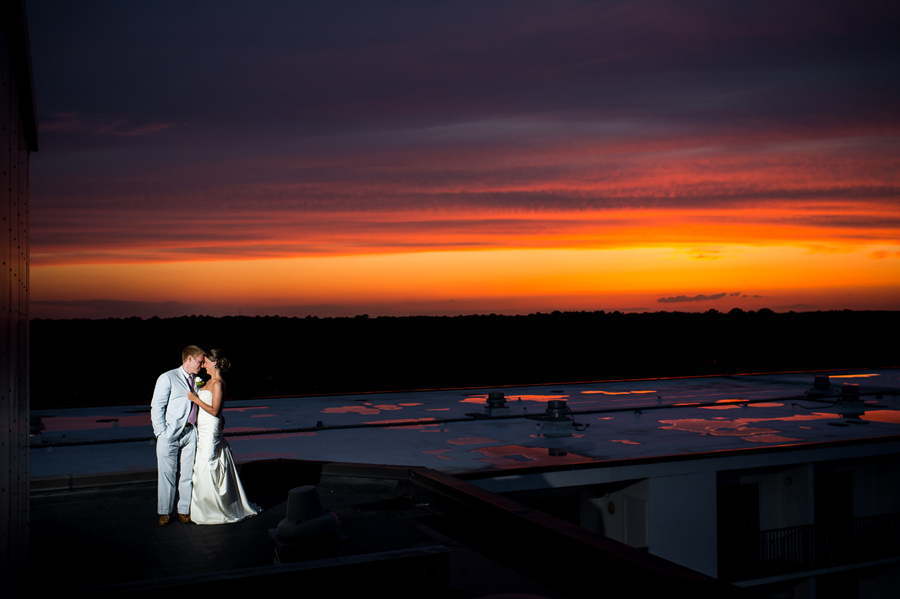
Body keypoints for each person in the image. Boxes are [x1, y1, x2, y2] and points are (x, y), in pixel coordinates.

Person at [187, 349, 260, 524]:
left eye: (205, 362)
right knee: (203, 462)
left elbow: (214, 410)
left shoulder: (218, 383)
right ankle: (205, 506)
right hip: (203, 427)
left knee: (207, 463)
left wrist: (195, 399)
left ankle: (212, 508)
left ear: (215, 363)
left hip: (210, 428)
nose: (202, 365)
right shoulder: (209, 382)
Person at [151, 345, 205, 526]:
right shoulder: (168, 377)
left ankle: (184, 510)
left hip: (191, 433)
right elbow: (157, 407)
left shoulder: (197, 379)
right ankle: (165, 512)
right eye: (200, 361)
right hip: (170, 435)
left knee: (188, 474)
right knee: (167, 475)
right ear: (189, 358)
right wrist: (161, 433)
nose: (202, 364)